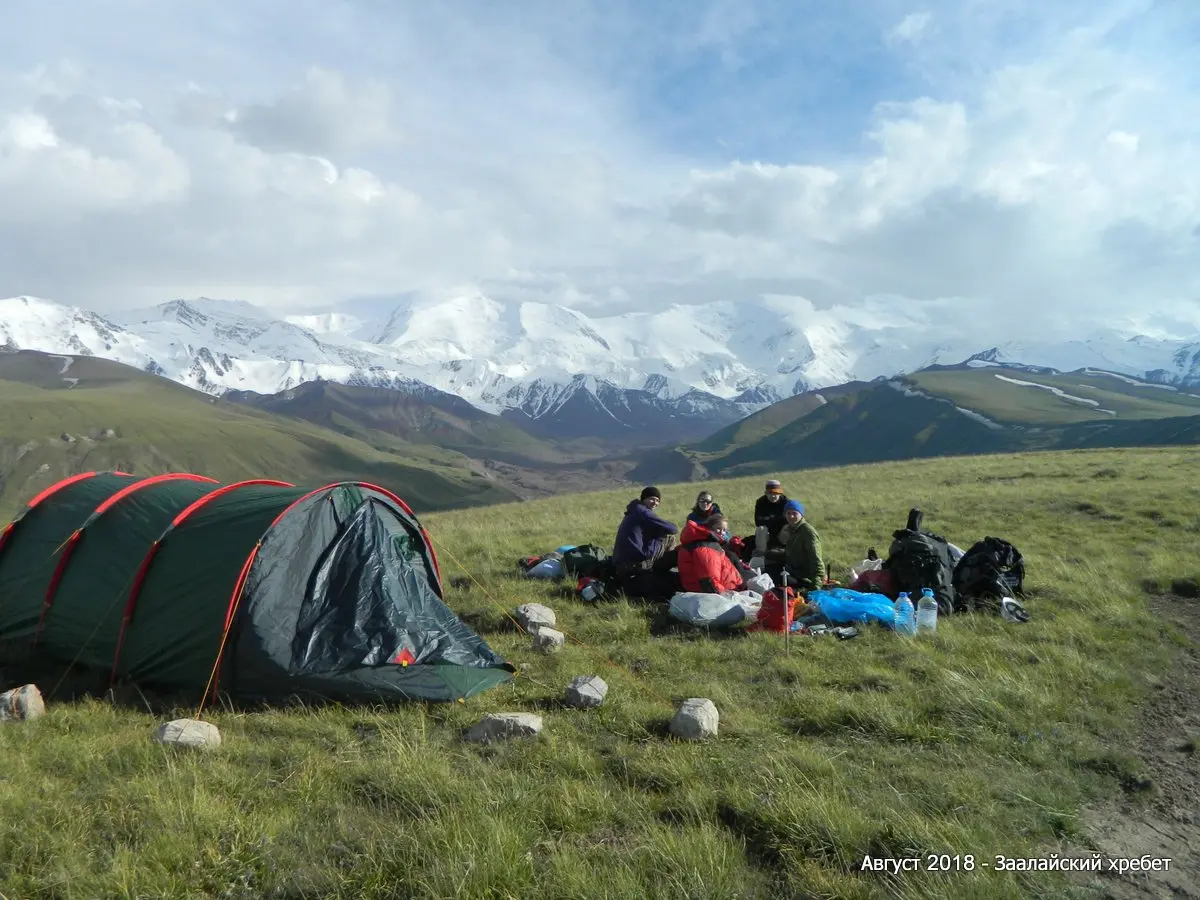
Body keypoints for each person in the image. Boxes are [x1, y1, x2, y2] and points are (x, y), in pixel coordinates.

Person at [677, 513, 751, 593]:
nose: (722, 533)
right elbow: (710, 582)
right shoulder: (705, 548)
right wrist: (726, 595)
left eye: (724, 530)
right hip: (722, 592)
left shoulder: (710, 544)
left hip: (732, 587)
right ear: (709, 528)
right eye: (718, 529)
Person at [612, 486, 679, 574]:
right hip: (634, 563)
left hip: (621, 561)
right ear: (644, 499)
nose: (655, 503)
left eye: (657, 500)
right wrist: (660, 532)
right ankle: (663, 568)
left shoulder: (635, 510)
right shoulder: (643, 512)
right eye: (652, 499)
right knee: (669, 537)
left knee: (659, 532)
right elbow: (673, 529)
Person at [764, 499, 825, 592]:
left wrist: (816, 588)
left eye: (794, 513)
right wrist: (769, 554)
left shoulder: (808, 532)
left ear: (801, 515)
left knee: (780, 580)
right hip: (792, 569)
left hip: (804, 577)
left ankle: (802, 589)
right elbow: (792, 553)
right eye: (788, 513)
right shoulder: (792, 529)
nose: (791, 516)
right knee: (768, 569)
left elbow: (816, 560)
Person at [753, 480, 789, 547]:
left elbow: (789, 521)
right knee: (761, 529)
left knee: (788, 527)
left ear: (780, 493)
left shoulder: (786, 502)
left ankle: (785, 551)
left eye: (775, 493)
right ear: (766, 493)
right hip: (767, 533)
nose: (772, 496)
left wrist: (769, 519)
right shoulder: (760, 502)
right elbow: (758, 522)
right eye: (770, 493)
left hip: (782, 531)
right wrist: (778, 519)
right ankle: (761, 554)